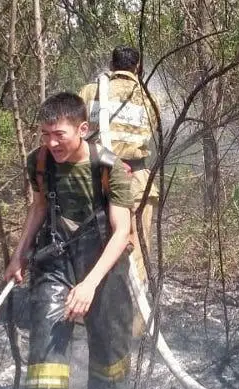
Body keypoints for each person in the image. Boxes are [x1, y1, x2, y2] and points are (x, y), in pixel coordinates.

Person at [3, 92, 134, 389]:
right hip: (56, 258)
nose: (51, 143)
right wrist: (18, 255)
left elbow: (122, 232)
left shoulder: (109, 168)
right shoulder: (39, 162)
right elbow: (39, 207)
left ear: (82, 129)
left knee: (110, 340)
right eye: (45, 134)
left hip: (102, 261)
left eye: (59, 134)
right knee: (47, 337)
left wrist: (89, 285)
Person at [78, 45, 160, 335]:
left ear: (111, 65)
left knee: (92, 247)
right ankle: (133, 326)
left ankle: (88, 319)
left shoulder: (90, 92)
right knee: (136, 252)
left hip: (95, 181)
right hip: (136, 181)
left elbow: (77, 130)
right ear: (138, 67)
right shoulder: (149, 97)